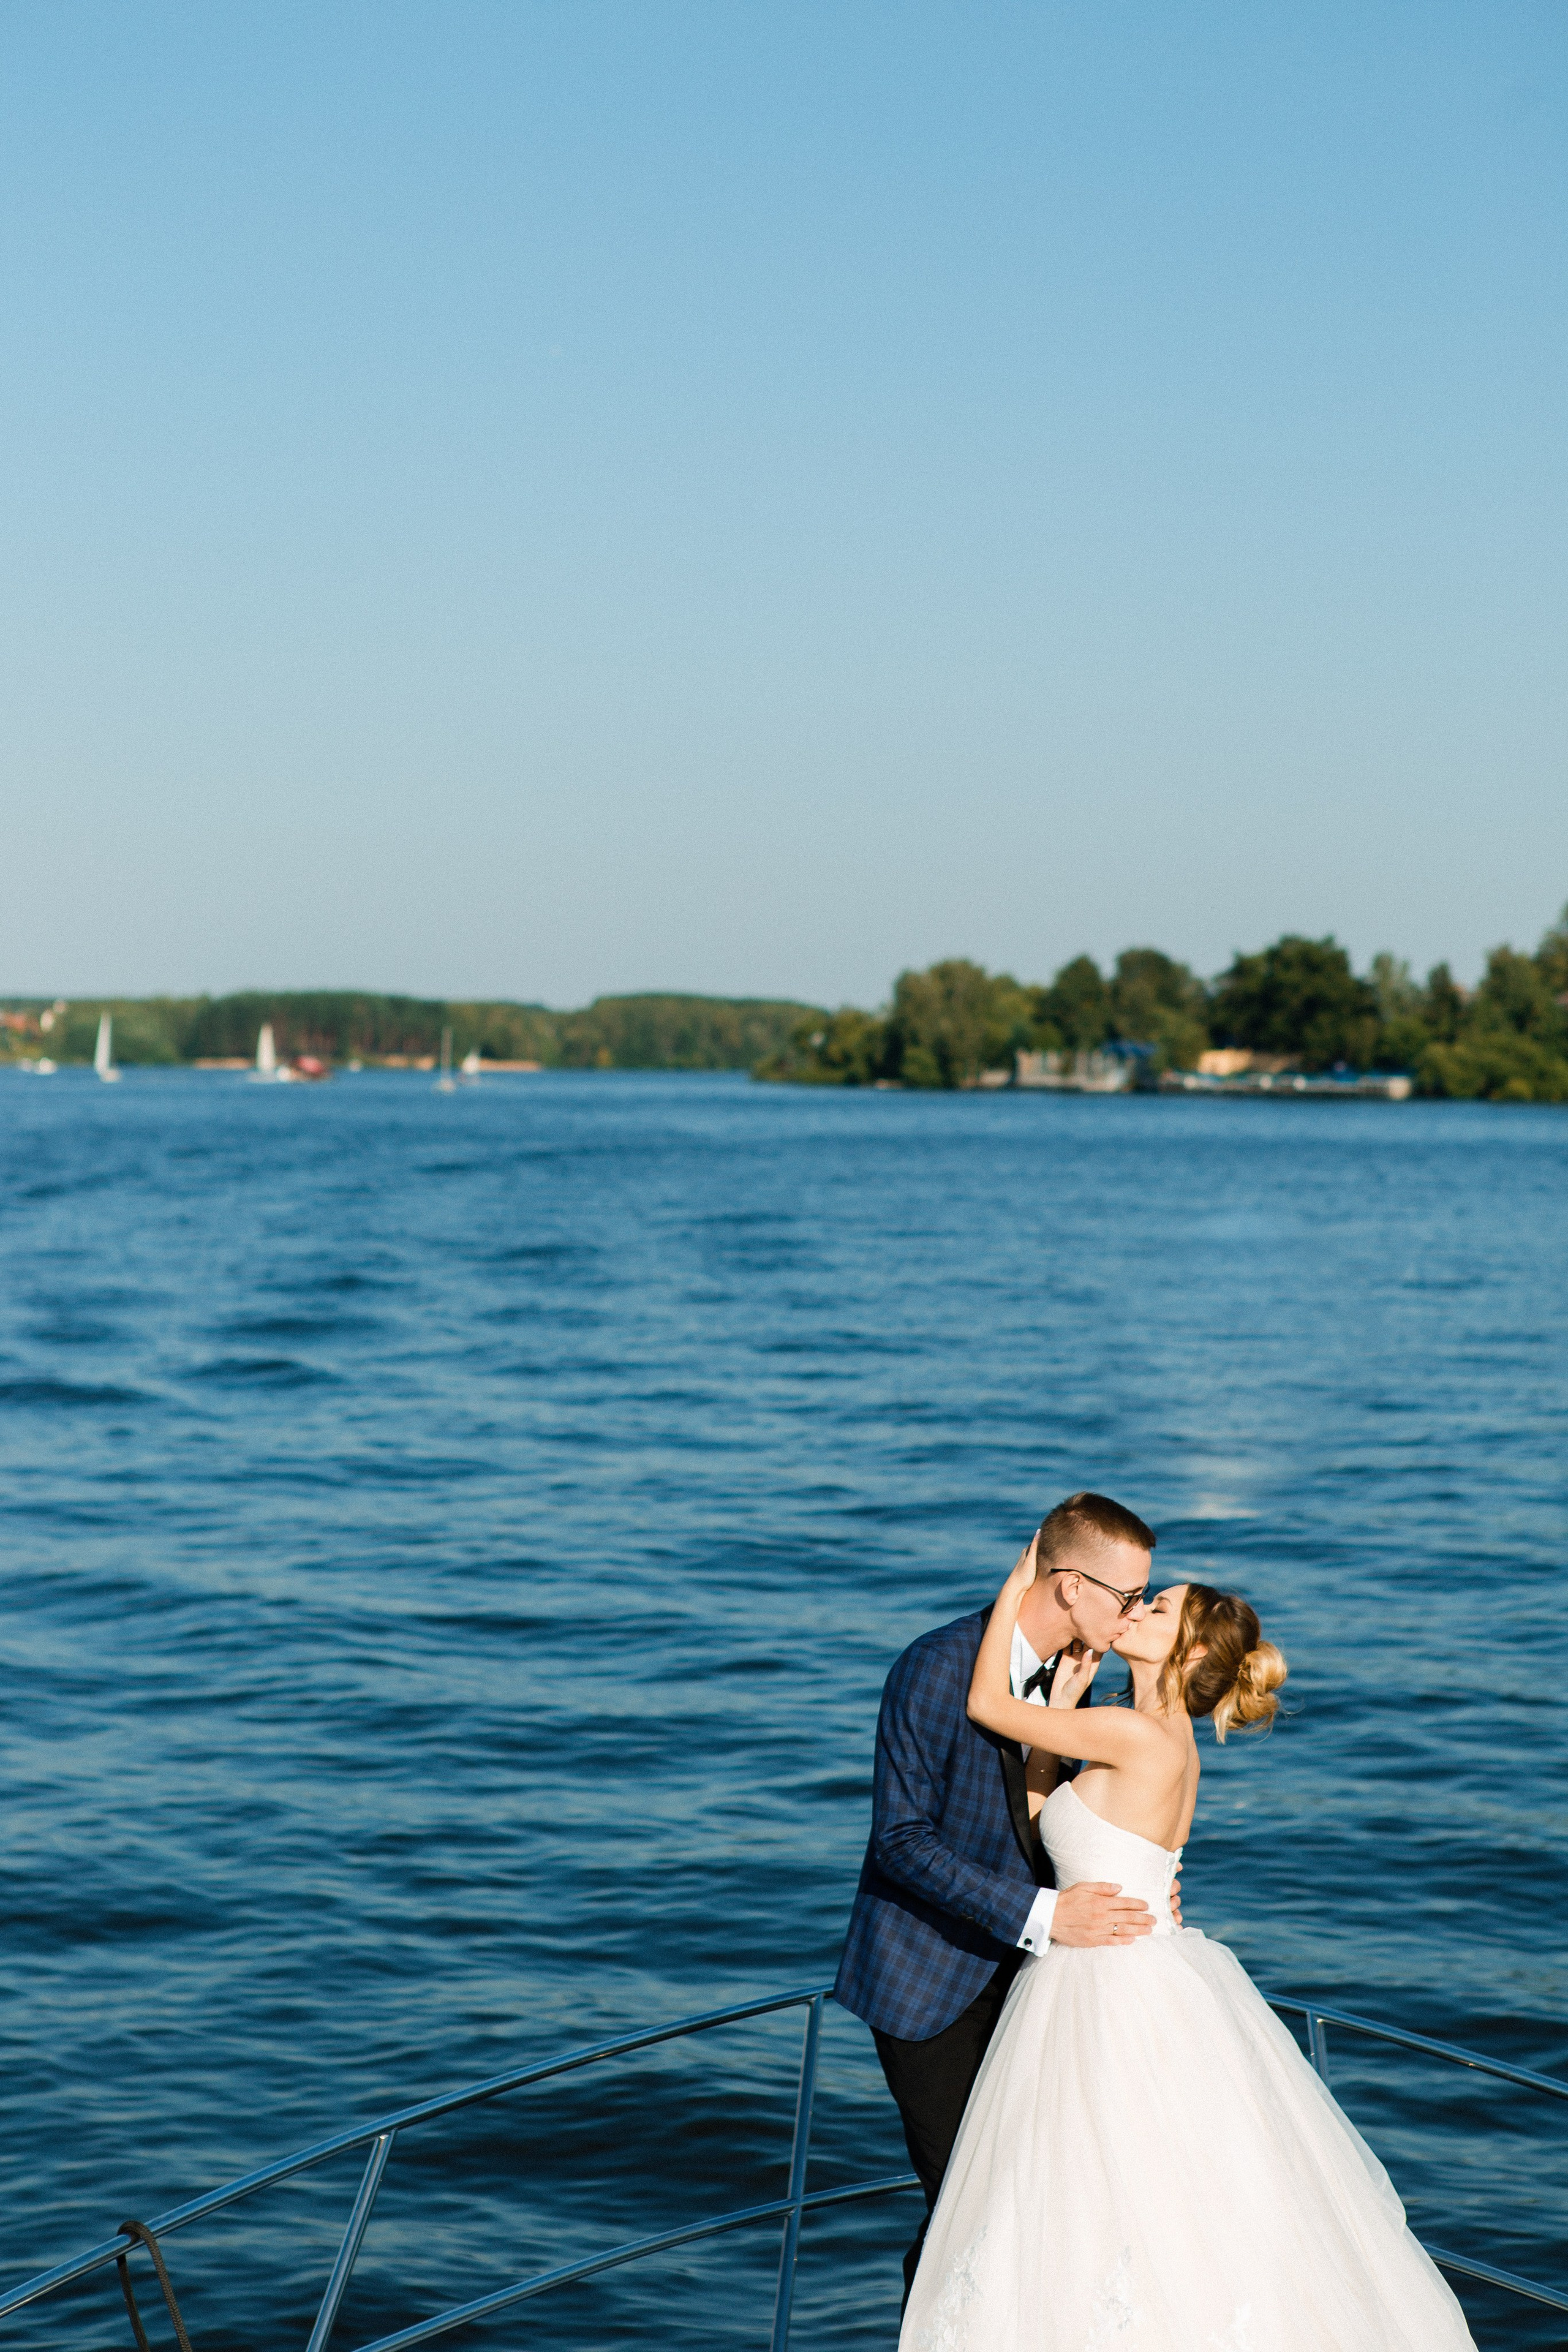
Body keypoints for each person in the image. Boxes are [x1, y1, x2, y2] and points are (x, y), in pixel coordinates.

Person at [897, 1532, 1478, 2351]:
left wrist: (1020, 1579)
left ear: (1191, 1648)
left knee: (1098, 2202)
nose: (1136, 1610)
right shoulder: (1135, 1729)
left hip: (1106, 1988)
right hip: (1111, 1965)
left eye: (1157, 1606)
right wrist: (1060, 1717)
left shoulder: (1140, 1734)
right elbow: (1051, 1831)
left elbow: (989, 1707)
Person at [834, 1493, 1179, 2307]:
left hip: (1039, 1987)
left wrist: (1138, 1873)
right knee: (968, 2209)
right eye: (1127, 1597)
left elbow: (1065, 1815)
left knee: (1040, 2202)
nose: (1134, 1615)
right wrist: (1048, 1916)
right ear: (1069, 1587)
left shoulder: (1080, 1678)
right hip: (930, 1985)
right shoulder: (936, 1667)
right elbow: (901, 1842)